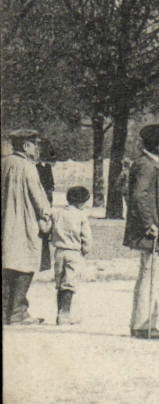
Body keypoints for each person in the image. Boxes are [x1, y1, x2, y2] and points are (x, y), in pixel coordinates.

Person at [124, 123, 159, 339]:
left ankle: (144, 324)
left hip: (155, 229)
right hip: (151, 232)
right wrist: (149, 224)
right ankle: (144, 326)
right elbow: (137, 196)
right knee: (151, 277)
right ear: (158, 146)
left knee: (150, 275)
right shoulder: (146, 165)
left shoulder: (150, 164)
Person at [2, 129, 53, 325]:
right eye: (35, 144)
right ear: (26, 146)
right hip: (24, 222)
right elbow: (38, 197)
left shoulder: (4, 163)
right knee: (25, 264)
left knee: (7, 265)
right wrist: (47, 215)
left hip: (6, 222)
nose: (38, 148)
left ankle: (7, 311)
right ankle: (18, 312)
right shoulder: (28, 167)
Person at [50, 186, 92, 325]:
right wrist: (85, 250)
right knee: (69, 284)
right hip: (74, 253)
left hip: (59, 252)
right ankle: (65, 314)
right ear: (82, 202)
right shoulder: (81, 216)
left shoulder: (58, 213)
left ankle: (58, 313)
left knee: (60, 283)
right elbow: (86, 236)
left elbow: (47, 228)